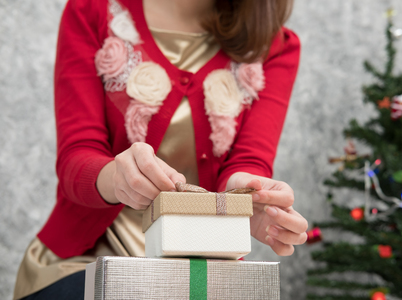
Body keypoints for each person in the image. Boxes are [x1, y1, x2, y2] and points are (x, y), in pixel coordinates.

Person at [13, 0, 308, 298]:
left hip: (196, 271)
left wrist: (249, 197)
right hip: (84, 262)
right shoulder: (92, 12)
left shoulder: (275, 46)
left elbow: (248, 160)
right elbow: (76, 157)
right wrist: (118, 177)